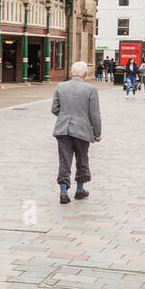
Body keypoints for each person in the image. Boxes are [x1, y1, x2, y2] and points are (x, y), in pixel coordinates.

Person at [51, 61, 102, 205]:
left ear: (71, 73)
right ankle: (80, 190)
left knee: (64, 160)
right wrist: (97, 134)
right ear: (85, 74)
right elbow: (95, 114)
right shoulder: (91, 89)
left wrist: (65, 116)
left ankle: (63, 192)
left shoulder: (61, 86)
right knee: (82, 159)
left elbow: (55, 109)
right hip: (82, 130)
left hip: (63, 130)